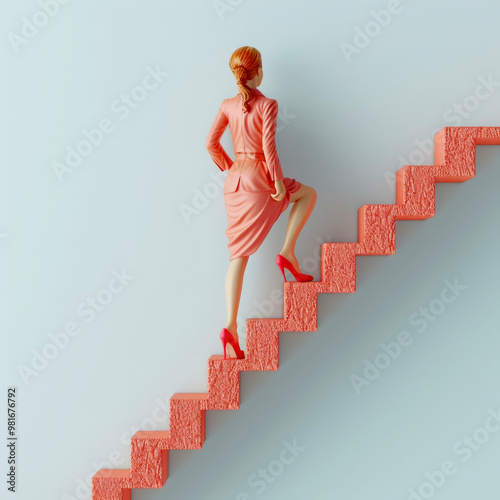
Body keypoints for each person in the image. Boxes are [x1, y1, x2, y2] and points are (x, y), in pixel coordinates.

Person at [206, 46, 317, 360]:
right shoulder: (267, 104)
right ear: (256, 72)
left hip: (234, 183)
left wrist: (230, 167)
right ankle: (287, 253)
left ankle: (229, 327)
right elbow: (268, 147)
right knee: (308, 194)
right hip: (260, 178)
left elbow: (210, 143)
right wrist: (278, 183)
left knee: (237, 255)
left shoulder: (227, 105)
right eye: (262, 68)